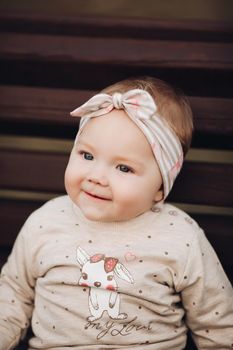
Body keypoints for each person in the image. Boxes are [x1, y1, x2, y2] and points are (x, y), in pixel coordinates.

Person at [0, 77, 232, 349]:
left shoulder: (181, 236)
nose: (96, 177)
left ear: (160, 187)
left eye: (123, 168)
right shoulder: (46, 222)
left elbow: (216, 324)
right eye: (87, 156)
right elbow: (13, 297)